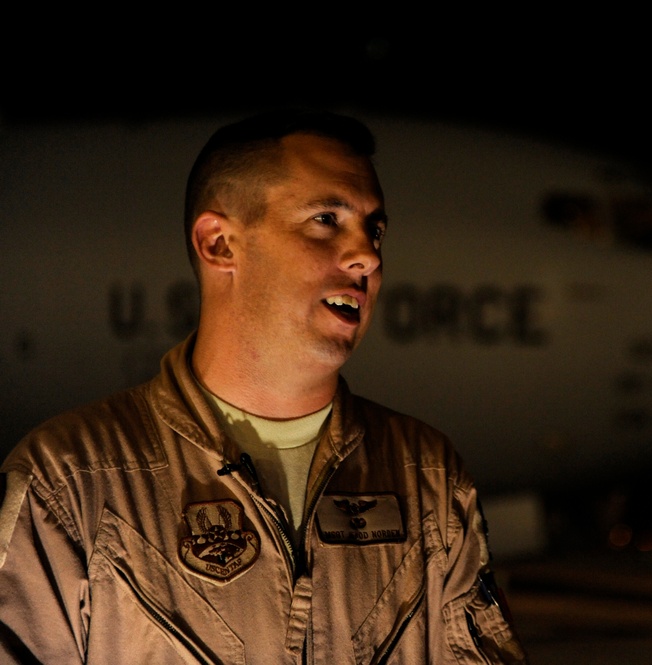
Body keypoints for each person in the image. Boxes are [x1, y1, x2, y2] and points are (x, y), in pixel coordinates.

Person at [0, 109, 528, 664]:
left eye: (375, 230)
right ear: (220, 245)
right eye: (326, 219)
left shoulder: (429, 480)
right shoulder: (71, 484)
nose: (368, 256)